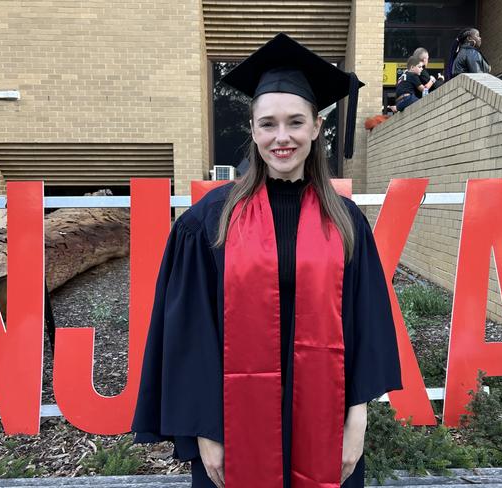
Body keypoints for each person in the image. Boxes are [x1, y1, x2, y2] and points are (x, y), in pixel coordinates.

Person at [132, 33, 402, 488]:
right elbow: (190, 334)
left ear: (317, 127)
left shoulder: (345, 220)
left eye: (295, 122)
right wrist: (205, 432)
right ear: (253, 130)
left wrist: (357, 422)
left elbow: (366, 325)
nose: (282, 137)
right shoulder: (209, 222)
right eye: (268, 124)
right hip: (231, 425)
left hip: (325, 419)